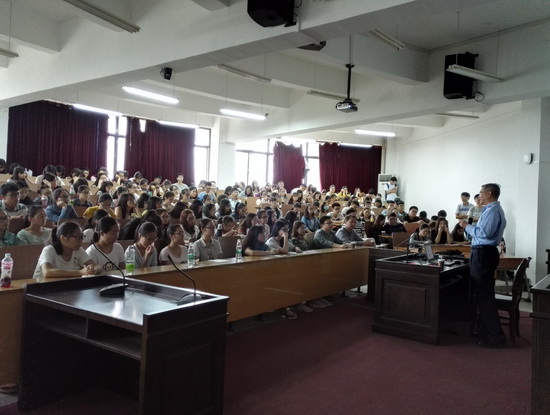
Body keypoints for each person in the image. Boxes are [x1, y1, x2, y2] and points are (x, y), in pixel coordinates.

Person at [460, 183, 507, 348]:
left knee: (484, 296)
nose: (479, 195)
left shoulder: (493, 211)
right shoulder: (490, 210)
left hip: (483, 253)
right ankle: (485, 330)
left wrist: (467, 226)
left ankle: (495, 336)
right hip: (482, 252)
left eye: (481, 193)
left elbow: (484, 233)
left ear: (489, 194)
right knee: (482, 294)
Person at [33, 221, 99, 280]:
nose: (81, 241)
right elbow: (47, 272)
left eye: (82, 237)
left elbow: (97, 266)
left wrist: (93, 269)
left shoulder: (78, 250)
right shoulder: (49, 250)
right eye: (77, 237)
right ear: (63, 238)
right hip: (40, 286)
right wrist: (80, 272)